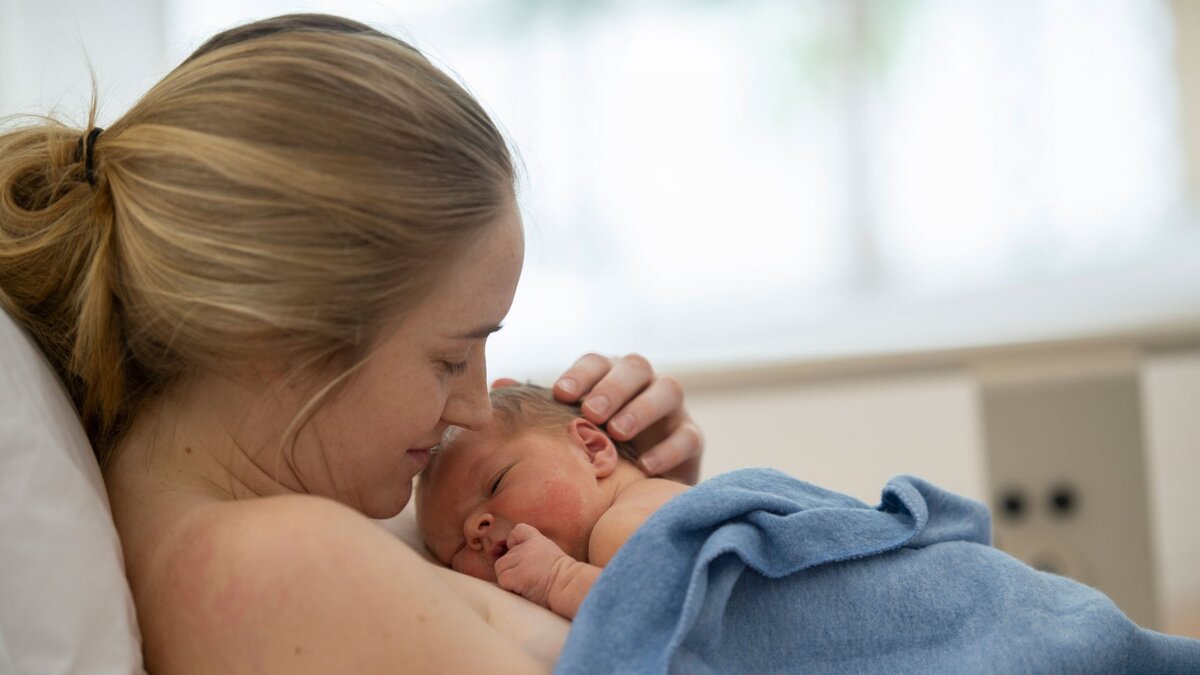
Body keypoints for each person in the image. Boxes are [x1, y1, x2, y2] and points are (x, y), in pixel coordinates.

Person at [0, 14, 703, 673]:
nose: (476, 408)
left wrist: (646, 517)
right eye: (451, 357)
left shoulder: (273, 519)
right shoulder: (276, 571)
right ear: (285, 333)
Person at [417, 384, 689, 620]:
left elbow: (673, 615)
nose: (473, 529)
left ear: (591, 449)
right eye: (458, 550)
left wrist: (561, 579)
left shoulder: (624, 522)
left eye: (496, 483)